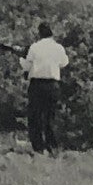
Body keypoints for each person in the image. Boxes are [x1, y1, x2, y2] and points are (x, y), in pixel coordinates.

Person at [21, 21, 69, 154]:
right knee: (50, 117)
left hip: (37, 84)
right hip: (52, 84)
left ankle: (38, 148)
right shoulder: (58, 48)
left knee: (35, 117)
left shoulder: (34, 47)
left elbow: (27, 65)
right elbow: (64, 63)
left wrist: (21, 60)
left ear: (39, 33)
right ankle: (52, 147)